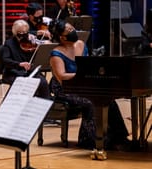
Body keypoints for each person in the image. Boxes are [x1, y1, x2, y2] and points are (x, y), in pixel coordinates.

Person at [49, 19, 131, 150]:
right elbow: (62, 77)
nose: (73, 32)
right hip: (65, 89)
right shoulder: (56, 54)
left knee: (108, 99)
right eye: (69, 31)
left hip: (83, 84)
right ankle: (89, 139)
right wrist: (82, 76)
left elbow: (88, 65)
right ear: (62, 37)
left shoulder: (80, 44)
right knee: (91, 102)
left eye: (72, 29)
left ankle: (119, 137)